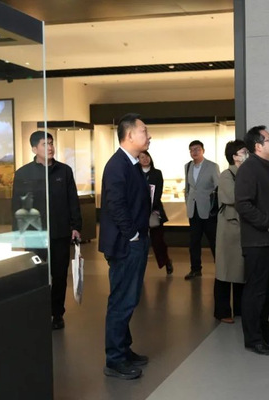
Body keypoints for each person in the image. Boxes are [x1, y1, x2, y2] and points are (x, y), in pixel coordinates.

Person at [12, 130, 82, 330]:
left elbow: (72, 200)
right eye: (45, 144)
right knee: (37, 275)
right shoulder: (23, 173)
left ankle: (57, 313)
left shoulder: (64, 171)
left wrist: (76, 226)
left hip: (60, 232)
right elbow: (16, 204)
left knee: (59, 275)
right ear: (34, 149)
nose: (50, 147)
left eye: (51, 143)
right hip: (34, 234)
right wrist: (17, 233)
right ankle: (37, 311)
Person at [99, 114, 151, 380]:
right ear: (129, 135)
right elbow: (116, 204)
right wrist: (132, 236)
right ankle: (115, 359)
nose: (149, 136)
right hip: (125, 245)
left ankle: (124, 349)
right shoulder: (117, 165)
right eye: (144, 131)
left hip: (134, 242)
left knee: (129, 299)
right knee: (122, 301)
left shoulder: (131, 163)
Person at [235, 126, 269, 356]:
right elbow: (243, 204)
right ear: (257, 146)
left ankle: (264, 331)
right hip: (257, 241)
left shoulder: (265, 167)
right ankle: (253, 338)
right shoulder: (249, 168)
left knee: (266, 291)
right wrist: (267, 223)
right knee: (255, 291)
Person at [213, 140, 248, 323]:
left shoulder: (247, 173)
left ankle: (241, 309)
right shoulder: (227, 175)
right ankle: (222, 311)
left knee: (240, 271)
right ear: (235, 156)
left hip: (242, 229)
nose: (247, 154)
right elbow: (234, 197)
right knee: (225, 271)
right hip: (229, 229)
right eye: (243, 151)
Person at [183, 140, 220, 280]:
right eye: (192, 149)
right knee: (194, 242)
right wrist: (187, 201)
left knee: (214, 241)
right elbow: (188, 188)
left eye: (197, 149)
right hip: (193, 210)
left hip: (208, 209)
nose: (194, 152)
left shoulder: (212, 166)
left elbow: (218, 187)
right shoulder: (187, 166)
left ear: (203, 150)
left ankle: (221, 268)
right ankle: (195, 269)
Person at [139, 150, 174, 274]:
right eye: (141, 157)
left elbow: (158, 192)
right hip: (139, 212)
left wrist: (151, 206)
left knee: (158, 240)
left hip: (154, 211)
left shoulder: (157, 173)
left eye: (146, 156)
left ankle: (166, 261)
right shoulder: (135, 173)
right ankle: (139, 267)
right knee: (140, 242)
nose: (145, 159)